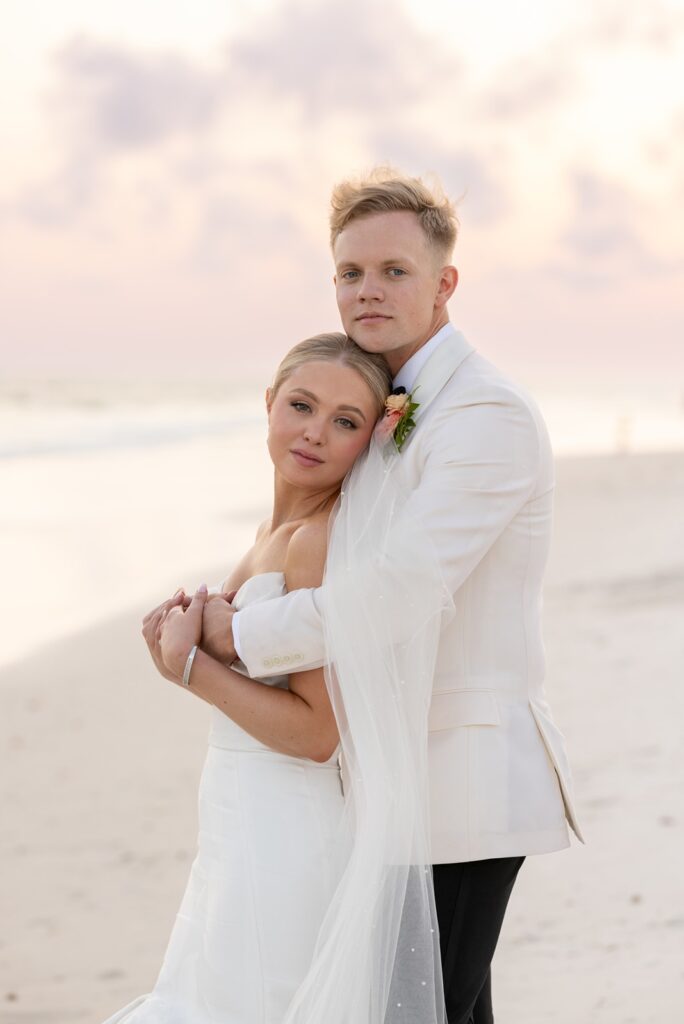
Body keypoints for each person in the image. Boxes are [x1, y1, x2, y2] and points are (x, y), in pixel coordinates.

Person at [200, 169, 585, 1024]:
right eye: (350, 273)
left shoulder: (486, 414)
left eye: (394, 272)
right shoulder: (376, 404)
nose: (367, 291)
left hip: (464, 776)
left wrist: (243, 637)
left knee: (423, 1008)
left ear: (444, 283)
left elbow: (397, 592)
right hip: (388, 779)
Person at [101, 333, 393, 1023]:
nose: (316, 433)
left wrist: (192, 668)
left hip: (285, 831)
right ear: (268, 404)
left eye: (346, 421)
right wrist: (179, 665)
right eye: (301, 405)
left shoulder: (315, 542)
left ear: (369, 440)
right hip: (238, 824)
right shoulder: (270, 531)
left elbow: (319, 732)